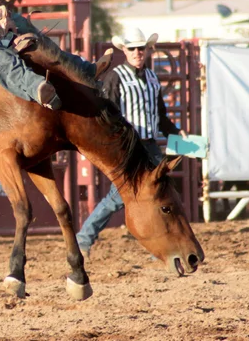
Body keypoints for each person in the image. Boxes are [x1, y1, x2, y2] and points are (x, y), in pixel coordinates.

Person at [75, 28, 188, 259]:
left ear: (147, 50)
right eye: (133, 48)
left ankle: (158, 243)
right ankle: (84, 238)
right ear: (124, 51)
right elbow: (107, 116)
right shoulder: (116, 77)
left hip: (150, 146)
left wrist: (177, 133)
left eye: (141, 48)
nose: (138, 52)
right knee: (118, 198)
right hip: (128, 149)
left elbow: (161, 116)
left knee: (161, 195)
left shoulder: (152, 77)